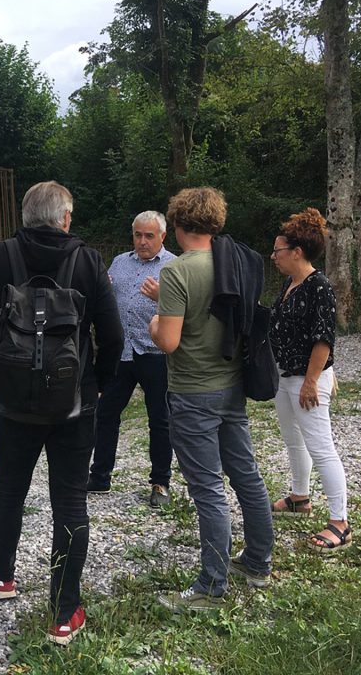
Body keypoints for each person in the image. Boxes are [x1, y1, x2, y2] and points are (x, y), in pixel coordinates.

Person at [0, 181, 123, 645]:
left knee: (10, 489)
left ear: (26, 215)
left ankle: (3, 574)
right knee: (70, 501)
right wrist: (96, 384)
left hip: (14, 405)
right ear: (65, 218)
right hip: (74, 405)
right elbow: (112, 338)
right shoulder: (88, 261)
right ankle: (63, 613)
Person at [149, 187, 274, 611]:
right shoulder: (234, 262)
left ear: (178, 225)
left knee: (207, 489)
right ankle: (257, 562)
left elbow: (168, 341)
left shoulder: (177, 271)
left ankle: (211, 587)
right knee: (246, 476)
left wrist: (153, 322)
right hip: (232, 386)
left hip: (192, 392)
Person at [269, 208, 351, 551]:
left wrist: (310, 382)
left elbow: (323, 338)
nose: (273, 256)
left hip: (308, 379)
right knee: (293, 440)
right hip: (285, 377)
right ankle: (300, 498)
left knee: (321, 447)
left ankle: (340, 522)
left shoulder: (318, 286)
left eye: (278, 250)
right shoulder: (290, 284)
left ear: (297, 252)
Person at [88, 211, 176, 507]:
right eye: (137, 235)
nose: (142, 241)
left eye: (149, 236)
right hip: (122, 353)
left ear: (162, 237)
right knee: (105, 413)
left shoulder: (174, 266)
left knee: (160, 420)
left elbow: (187, 310)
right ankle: (99, 477)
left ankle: (160, 482)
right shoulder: (119, 262)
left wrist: (162, 298)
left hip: (155, 354)